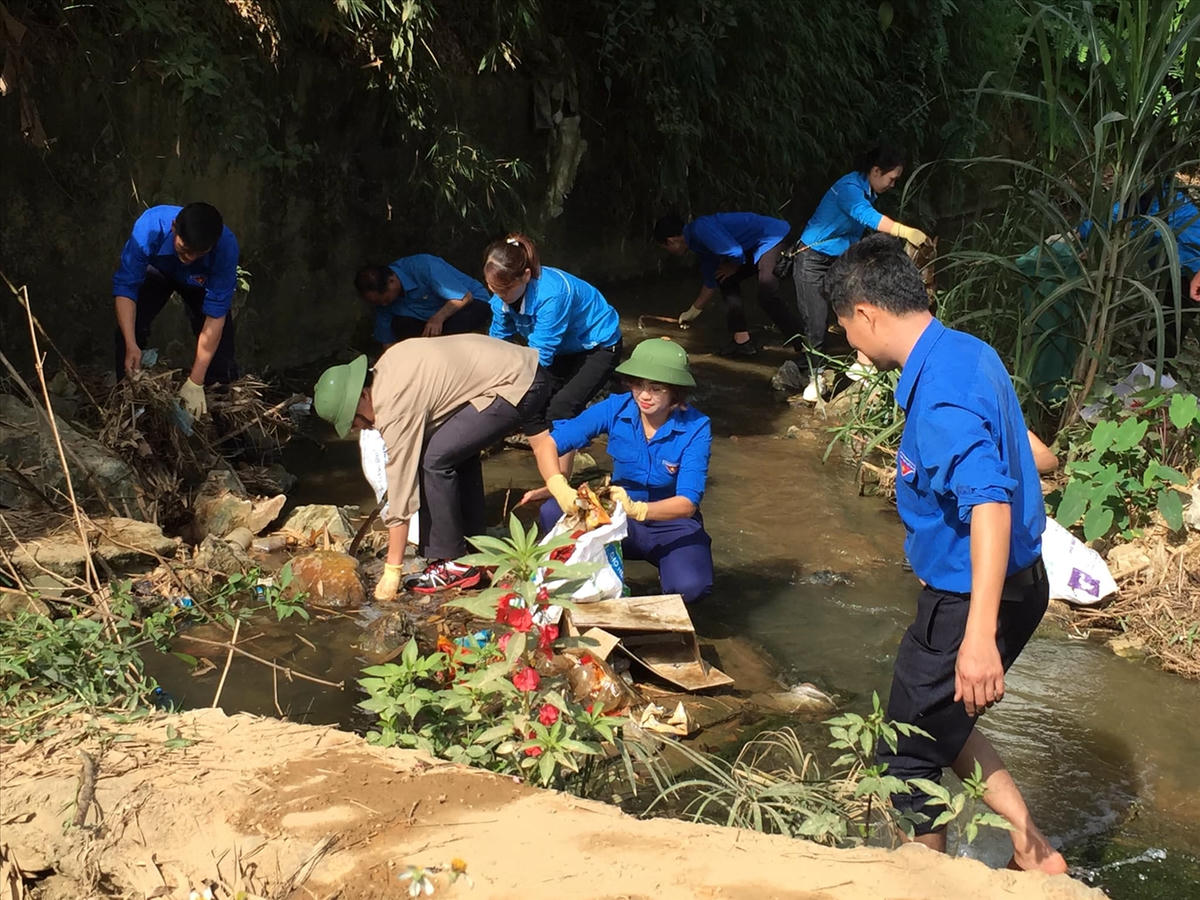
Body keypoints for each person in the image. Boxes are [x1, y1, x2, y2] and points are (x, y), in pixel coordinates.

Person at [824, 233, 1067, 874]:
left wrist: (978, 637)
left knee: (905, 752)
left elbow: (988, 501)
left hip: (968, 599)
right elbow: (1031, 450)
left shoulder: (940, 398)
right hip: (1022, 581)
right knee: (944, 727)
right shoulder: (966, 352)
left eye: (846, 326)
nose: (849, 340)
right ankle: (1032, 850)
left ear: (867, 313)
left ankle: (924, 880)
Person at [311, 334, 551, 596]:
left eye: (357, 422)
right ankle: (472, 550)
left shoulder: (393, 405)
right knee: (451, 452)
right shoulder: (386, 366)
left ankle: (453, 563)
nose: (363, 428)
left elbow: (401, 494)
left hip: (516, 384)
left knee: (433, 460)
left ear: (364, 395)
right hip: (519, 371)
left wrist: (393, 569)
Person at [522, 337, 714, 604]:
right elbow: (548, 446)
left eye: (656, 388)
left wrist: (638, 508)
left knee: (690, 587)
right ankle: (580, 585)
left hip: (671, 524)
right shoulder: (616, 408)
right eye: (639, 385)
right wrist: (558, 486)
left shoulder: (697, 427)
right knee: (553, 511)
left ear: (675, 392)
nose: (644, 396)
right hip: (615, 516)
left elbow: (687, 504)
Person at [792, 145, 929, 401]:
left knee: (859, 305)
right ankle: (816, 376)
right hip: (812, 259)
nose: (892, 185)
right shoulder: (849, 189)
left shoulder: (866, 191)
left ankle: (865, 362)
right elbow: (864, 216)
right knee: (816, 320)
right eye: (892, 179)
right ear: (876, 170)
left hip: (839, 259)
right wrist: (904, 231)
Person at [112, 202, 239, 416]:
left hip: (201, 282)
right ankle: (128, 406)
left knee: (222, 352)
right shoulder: (150, 225)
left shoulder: (226, 247)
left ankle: (218, 411)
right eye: (185, 248)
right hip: (158, 271)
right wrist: (130, 343)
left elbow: (215, 315)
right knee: (129, 332)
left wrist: (195, 382)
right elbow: (126, 287)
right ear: (173, 227)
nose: (189, 257)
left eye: (198, 252)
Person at [483, 233, 623, 423]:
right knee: (534, 407)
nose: (499, 295)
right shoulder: (499, 299)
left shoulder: (553, 295)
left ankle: (565, 445)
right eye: (492, 288)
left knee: (560, 410)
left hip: (598, 344)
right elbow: (497, 342)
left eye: (505, 289)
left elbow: (540, 353)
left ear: (526, 276)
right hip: (562, 347)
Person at [1078, 182, 1200, 365]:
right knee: (1164, 322)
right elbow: (1117, 215)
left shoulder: (1166, 204)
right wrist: (1081, 232)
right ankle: (1153, 370)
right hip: (1174, 270)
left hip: (1189, 272)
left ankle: (1159, 373)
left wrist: (1088, 236)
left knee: (1170, 327)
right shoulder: (1150, 194)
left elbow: (1132, 225)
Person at [654, 212, 802, 358]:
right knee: (724, 278)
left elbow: (735, 252)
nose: (668, 252)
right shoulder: (697, 243)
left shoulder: (701, 230)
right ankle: (742, 341)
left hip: (775, 238)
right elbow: (710, 281)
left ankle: (804, 346)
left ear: (671, 241)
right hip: (755, 245)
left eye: (665, 247)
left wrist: (733, 267)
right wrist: (692, 312)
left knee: (767, 297)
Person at [355, 255, 491, 346]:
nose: (384, 304)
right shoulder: (383, 304)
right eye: (378, 303)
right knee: (401, 327)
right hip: (429, 323)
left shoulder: (424, 266)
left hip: (468, 304)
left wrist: (438, 318)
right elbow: (388, 342)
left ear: (391, 281)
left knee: (453, 330)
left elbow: (464, 297)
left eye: (385, 299)